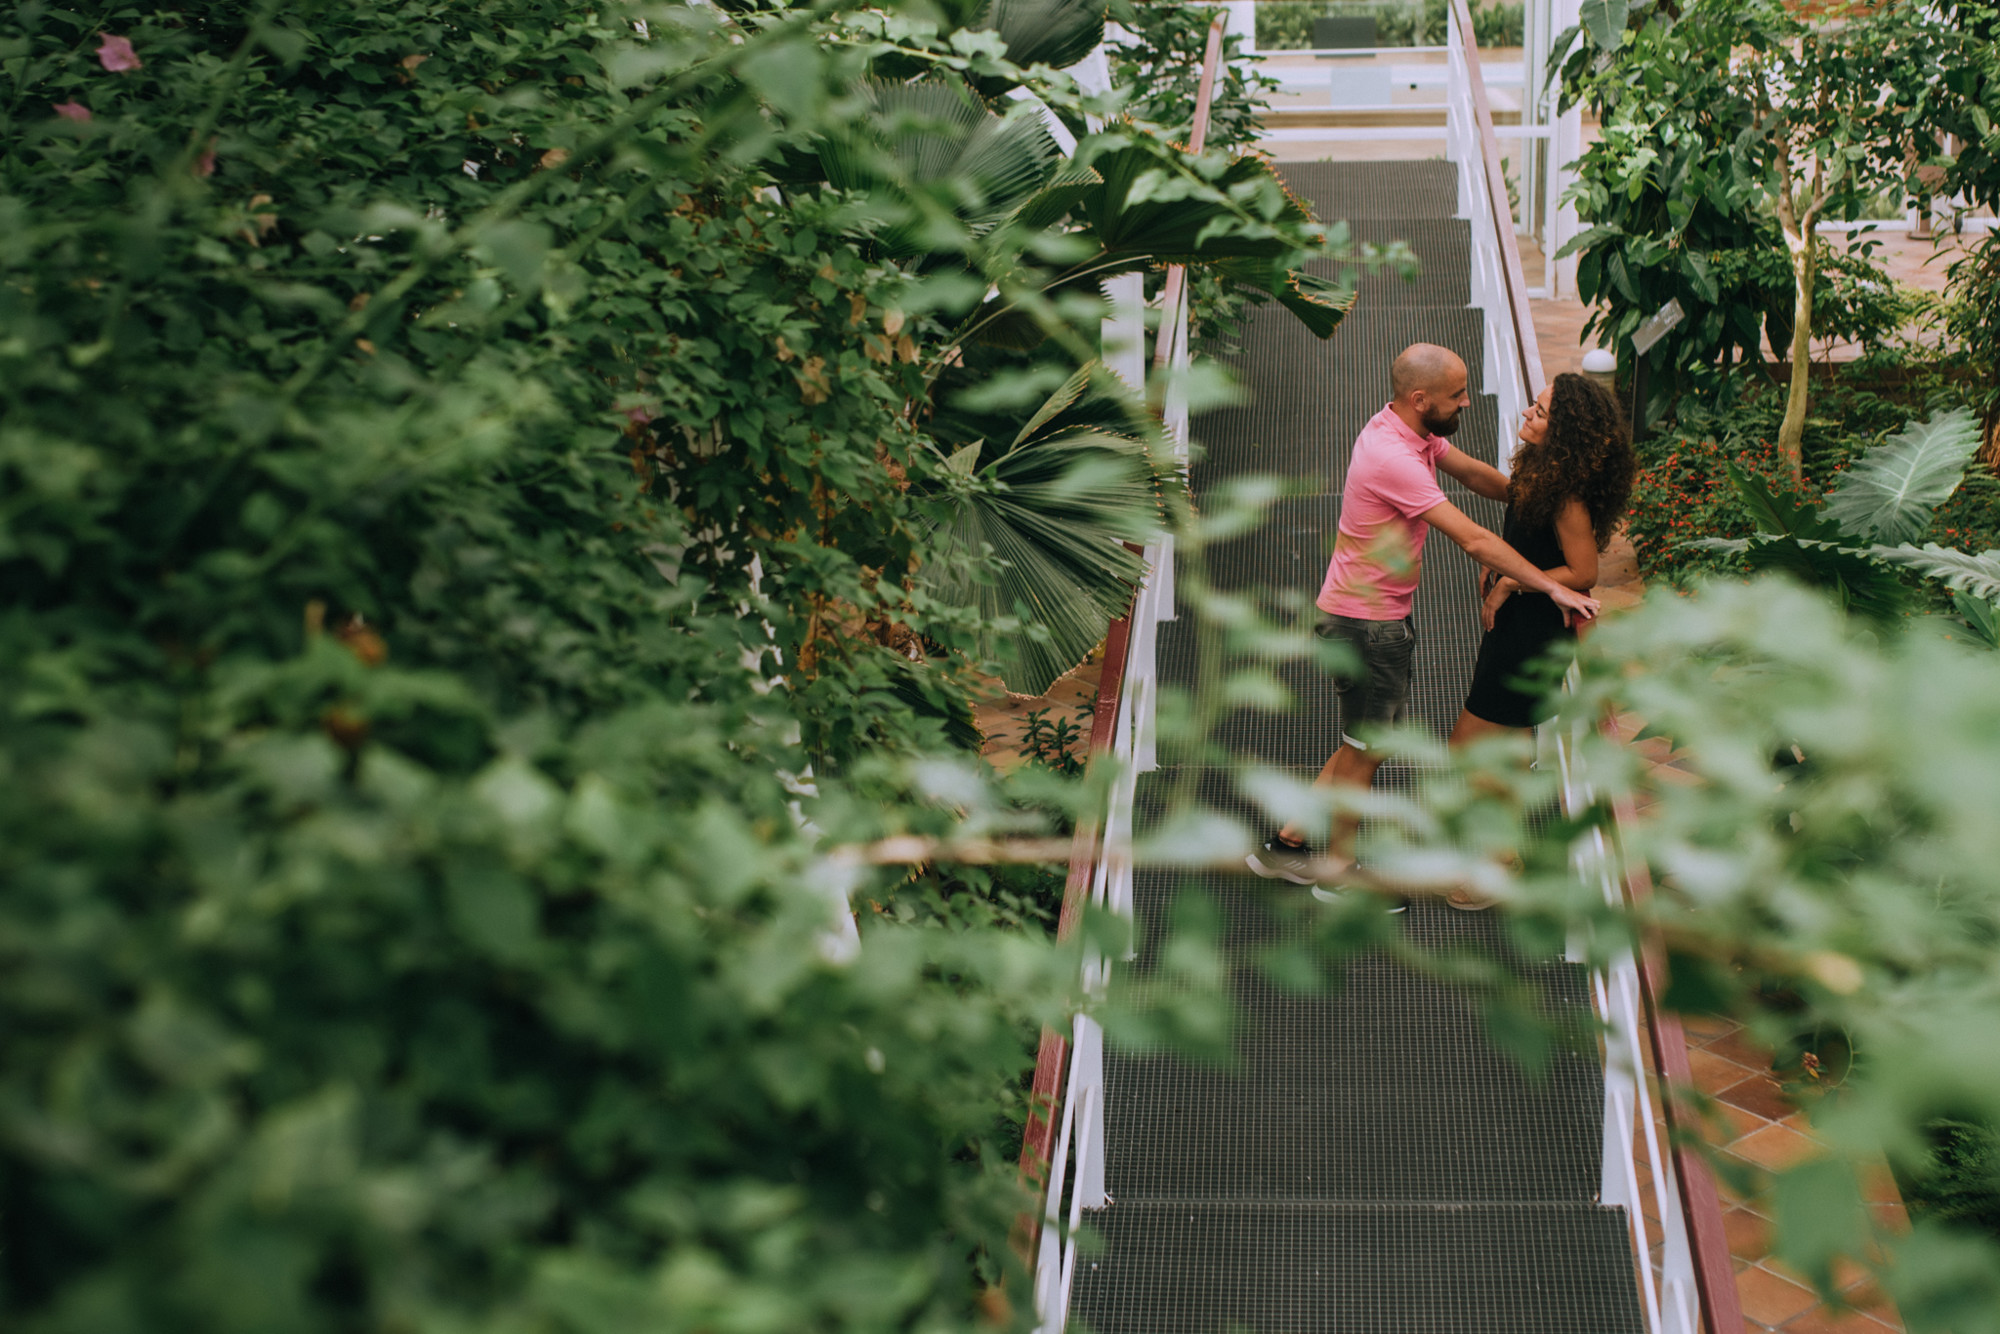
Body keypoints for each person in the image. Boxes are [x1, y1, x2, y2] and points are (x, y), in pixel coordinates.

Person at [1245, 343, 1602, 904]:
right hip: (1369, 626)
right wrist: (1550, 583)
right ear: (1421, 399)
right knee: (1367, 748)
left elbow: (1477, 476)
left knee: (1365, 739)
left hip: (1363, 617)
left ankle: (1287, 844)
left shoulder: (1403, 430)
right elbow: (1474, 539)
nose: (1467, 403)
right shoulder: (1396, 459)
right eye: (1457, 395)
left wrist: (1532, 497)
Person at [1453, 371, 1635, 746]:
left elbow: (1584, 572)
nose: (1525, 413)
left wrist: (1511, 580)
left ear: (1564, 432)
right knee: (1507, 741)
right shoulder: (1546, 471)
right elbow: (1511, 498)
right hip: (1515, 623)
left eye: (1539, 411)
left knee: (1467, 744)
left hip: (1531, 632)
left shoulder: (1569, 497)